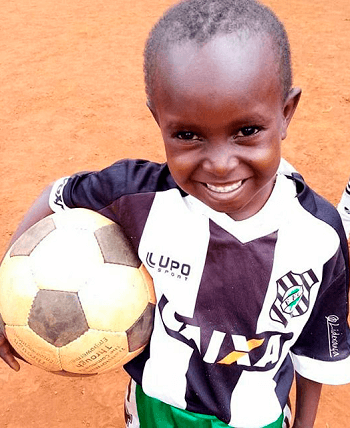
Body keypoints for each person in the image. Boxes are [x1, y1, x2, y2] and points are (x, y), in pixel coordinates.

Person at [1, 0, 350, 427]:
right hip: (156, 406)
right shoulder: (136, 195)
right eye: (188, 135)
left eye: (247, 131)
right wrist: (9, 292)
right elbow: (56, 196)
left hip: (257, 417)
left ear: (285, 114)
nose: (220, 164)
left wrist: (307, 423)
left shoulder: (320, 236)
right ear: (158, 120)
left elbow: (318, 344)